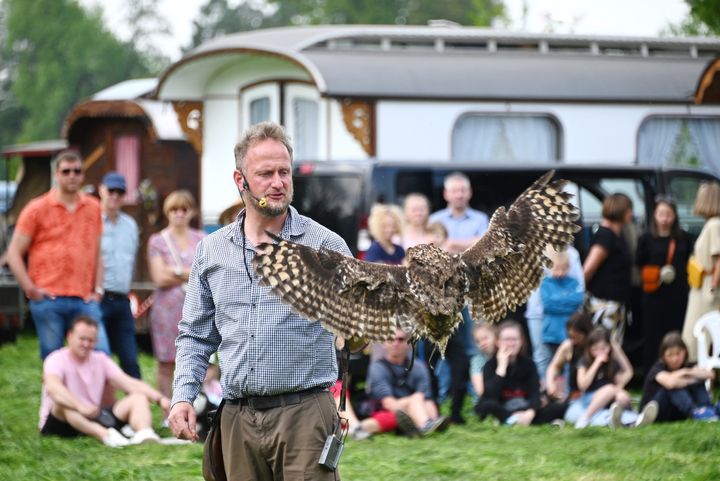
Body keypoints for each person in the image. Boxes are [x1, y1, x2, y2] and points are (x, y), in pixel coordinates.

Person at [169, 121, 351, 480]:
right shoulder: (212, 250)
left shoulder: (325, 246)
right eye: (265, 173)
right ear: (241, 180)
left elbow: (357, 328)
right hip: (237, 416)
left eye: (284, 172)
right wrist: (182, 396)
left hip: (304, 414)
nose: (278, 182)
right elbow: (194, 335)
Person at [6, 150, 109, 359]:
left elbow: (98, 253)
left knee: (100, 355)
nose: (72, 175)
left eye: (77, 171)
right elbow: (14, 253)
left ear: (83, 175)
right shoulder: (37, 208)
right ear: (56, 174)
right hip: (48, 298)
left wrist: (98, 290)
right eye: (66, 171)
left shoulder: (94, 207)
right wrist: (30, 289)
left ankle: (90, 393)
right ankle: (56, 393)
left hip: (84, 298)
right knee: (53, 359)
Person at [39, 315, 171, 447]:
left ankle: (144, 433)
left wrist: (160, 399)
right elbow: (53, 388)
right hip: (62, 421)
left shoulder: (100, 359)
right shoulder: (55, 359)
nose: (86, 344)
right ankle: (105, 435)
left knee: (138, 397)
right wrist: (79, 406)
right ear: (70, 336)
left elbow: (129, 383)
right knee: (61, 404)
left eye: (90, 340)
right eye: (82, 339)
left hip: (94, 415)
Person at [426, 171, 488, 424]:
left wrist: (451, 244)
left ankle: (471, 397)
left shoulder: (481, 218)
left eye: (463, 190)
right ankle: (438, 399)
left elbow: (483, 245)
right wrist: (461, 245)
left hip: (469, 292)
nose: (459, 195)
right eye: (454, 190)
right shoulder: (435, 219)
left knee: (469, 347)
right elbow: (430, 249)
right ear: (446, 194)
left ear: (469, 193)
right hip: (438, 298)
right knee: (434, 352)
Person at [147, 190, 205, 399]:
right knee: (166, 361)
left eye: (184, 209)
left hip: (196, 309)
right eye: (174, 209)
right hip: (166, 311)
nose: (179, 213)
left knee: (198, 359)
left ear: (192, 212)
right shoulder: (157, 240)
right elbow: (159, 278)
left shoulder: (202, 239)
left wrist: (175, 270)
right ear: (167, 211)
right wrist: (189, 272)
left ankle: (197, 408)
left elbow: (204, 274)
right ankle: (166, 411)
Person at [636, 196, 691, 374]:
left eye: (668, 214)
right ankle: (653, 373)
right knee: (653, 335)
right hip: (653, 295)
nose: (665, 218)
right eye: (661, 214)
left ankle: (677, 369)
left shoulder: (682, 238)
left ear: (674, 216)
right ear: (654, 215)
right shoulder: (646, 238)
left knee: (676, 331)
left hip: (677, 295)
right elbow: (639, 263)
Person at [474, 320, 566, 426]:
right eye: (507, 340)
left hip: (524, 406)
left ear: (521, 342)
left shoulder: (529, 364)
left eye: (515, 339)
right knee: (487, 405)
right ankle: (515, 420)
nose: (511, 343)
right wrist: (501, 368)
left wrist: (530, 413)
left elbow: (535, 393)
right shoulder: (490, 365)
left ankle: (511, 421)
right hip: (501, 406)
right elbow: (490, 395)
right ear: (498, 342)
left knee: (558, 407)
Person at [366, 329, 449, 437]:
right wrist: (411, 407)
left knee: (424, 401)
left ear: (409, 343)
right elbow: (387, 403)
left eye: (401, 339)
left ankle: (428, 423)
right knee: (415, 399)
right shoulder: (377, 368)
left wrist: (430, 415)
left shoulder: (419, 367)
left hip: (417, 407)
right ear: (384, 343)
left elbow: (427, 398)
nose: (396, 343)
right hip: (386, 410)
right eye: (391, 339)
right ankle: (425, 424)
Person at [98, 172, 141, 378]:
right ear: (101, 190)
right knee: (99, 358)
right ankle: (100, 409)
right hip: (97, 299)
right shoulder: (92, 222)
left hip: (122, 300)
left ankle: (138, 407)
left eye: (120, 191)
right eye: (111, 190)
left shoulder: (131, 225)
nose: (115, 195)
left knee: (130, 360)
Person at [573, 327, 657, 429]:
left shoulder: (612, 362)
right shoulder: (584, 361)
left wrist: (615, 347)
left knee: (623, 396)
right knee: (610, 388)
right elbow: (582, 385)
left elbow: (628, 372)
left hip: (610, 397)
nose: (600, 352)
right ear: (590, 349)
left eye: (603, 348)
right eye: (595, 349)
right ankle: (585, 418)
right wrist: (596, 363)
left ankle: (634, 419)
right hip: (590, 397)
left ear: (609, 347)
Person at [526, 246, 584, 381]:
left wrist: (556, 303)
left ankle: (565, 391)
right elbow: (547, 302)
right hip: (536, 314)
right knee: (542, 356)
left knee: (568, 355)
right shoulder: (533, 249)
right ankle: (543, 391)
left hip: (567, 319)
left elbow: (579, 294)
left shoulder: (572, 253)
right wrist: (564, 302)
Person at [583, 193, 634, 344]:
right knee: (605, 347)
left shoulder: (617, 235)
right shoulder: (605, 236)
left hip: (615, 305)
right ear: (621, 211)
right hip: (604, 306)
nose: (631, 214)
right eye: (629, 210)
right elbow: (588, 269)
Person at [640, 331, 717, 422]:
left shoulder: (688, 366)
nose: (675, 359)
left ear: (685, 351)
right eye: (670, 355)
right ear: (663, 356)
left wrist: (688, 373)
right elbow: (670, 383)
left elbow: (710, 374)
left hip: (675, 413)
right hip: (655, 412)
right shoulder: (657, 368)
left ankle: (707, 409)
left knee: (697, 380)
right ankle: (695, 412)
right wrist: (685, 374)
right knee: (673, 386)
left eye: (678, 353)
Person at [682, 182, 720, 362]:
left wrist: (713, 286)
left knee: (701, 332)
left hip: (707, 285)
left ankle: (704, 373)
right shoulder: (711, 224)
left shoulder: (714, 225)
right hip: (702, 284)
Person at [545, 312, 594, 406]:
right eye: (571, 337)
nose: (573, 340)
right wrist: (550, 383)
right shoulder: (568, 346)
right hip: (575, 395)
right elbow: (554, 366)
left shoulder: (597, 344)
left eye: (577, 337)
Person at [469, 322, 497, 404]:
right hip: (485, 402)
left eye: (485, 338)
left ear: (495, 335)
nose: (482, 343)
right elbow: (480, 391)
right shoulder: (477, 361)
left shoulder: (504, 354)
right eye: (478, 341)